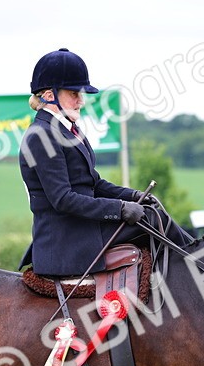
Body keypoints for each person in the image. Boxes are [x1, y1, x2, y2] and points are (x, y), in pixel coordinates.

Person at [18, 48, 192, 276]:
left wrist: (133, 196)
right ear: (49, 95)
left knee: (151, 210)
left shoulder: (68, 129)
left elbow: (94, 183)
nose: (81, 100)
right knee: (152, 219)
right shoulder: (41, 136)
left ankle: (192, 261)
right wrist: (119, 209)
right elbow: (62, 199)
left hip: (83, 227)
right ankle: (199, 263)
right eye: (74, 93)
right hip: (66, 238)